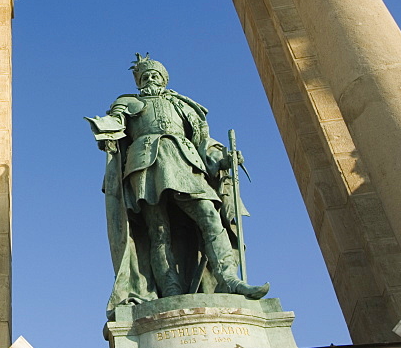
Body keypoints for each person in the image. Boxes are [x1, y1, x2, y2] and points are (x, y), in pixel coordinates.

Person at [86, 55, 268, 318]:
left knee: (208, 215)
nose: (150, 79)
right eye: (145, 76)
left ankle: (228, 278)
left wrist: (222, 158)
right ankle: (170, 291)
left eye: (155, 75)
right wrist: (105, 128)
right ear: (138, 82)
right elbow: (115, 125)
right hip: (145, 166)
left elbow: (203, 141)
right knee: (158, 231)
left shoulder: (183, 105)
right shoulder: (127, 102)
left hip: (186, 162)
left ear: (164, 78)